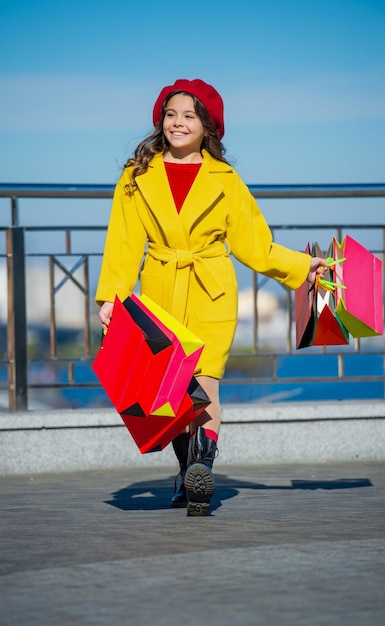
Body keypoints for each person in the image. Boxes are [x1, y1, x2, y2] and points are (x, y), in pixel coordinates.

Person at [96, 78, 327, 516]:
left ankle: (201, 466)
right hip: (160, 289)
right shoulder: (136, 176)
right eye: (171, 114)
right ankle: (188, 474)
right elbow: (122, 243)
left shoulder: (226, 179)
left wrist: (302, 267)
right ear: (160, 121)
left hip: (211, 289)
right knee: (169, 392)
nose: (178, 123)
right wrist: (111, 298)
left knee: (203, 384)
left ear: (208, 127)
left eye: (189, 116)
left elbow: (255, 246)